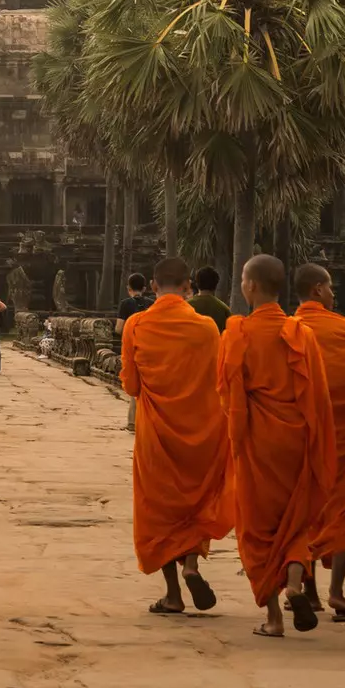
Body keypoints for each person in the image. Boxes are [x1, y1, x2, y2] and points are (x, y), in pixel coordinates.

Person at [218, 255, 336, 638]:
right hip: (296, 438)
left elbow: (228, 394)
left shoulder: (236, 333)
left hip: (257, 440)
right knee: (296, 517)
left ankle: (273, 618)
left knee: (257, 527)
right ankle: (295, 584)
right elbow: (317, 394)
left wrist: (236, 434)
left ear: (250, 286)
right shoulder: (301, 333)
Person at [120, 255, 232, 615]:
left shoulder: (136, 325)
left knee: (159, 510)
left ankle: (172, 594)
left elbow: (131, 385)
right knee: (195, 502)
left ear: (153, 287)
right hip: (202, 432)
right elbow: (219, 381)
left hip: (157, 434)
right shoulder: (206, 329)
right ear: (188, 287)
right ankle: (192, 565)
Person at [292, 262, 345, 623]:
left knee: (305, 509)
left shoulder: (288, 330)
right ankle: (337, 593)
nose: (333, 292)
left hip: (302, 433)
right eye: (328, 287)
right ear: (316, 290)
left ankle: (307, 592)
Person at [118, 273, 156, 430]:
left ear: (129, 289)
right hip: (151, 348)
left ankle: (133, 422)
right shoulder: (152, 304)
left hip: (133, 348)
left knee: (134, 384)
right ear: (145, 288)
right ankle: (148, 420)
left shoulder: (126, 304)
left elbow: (119, 328)